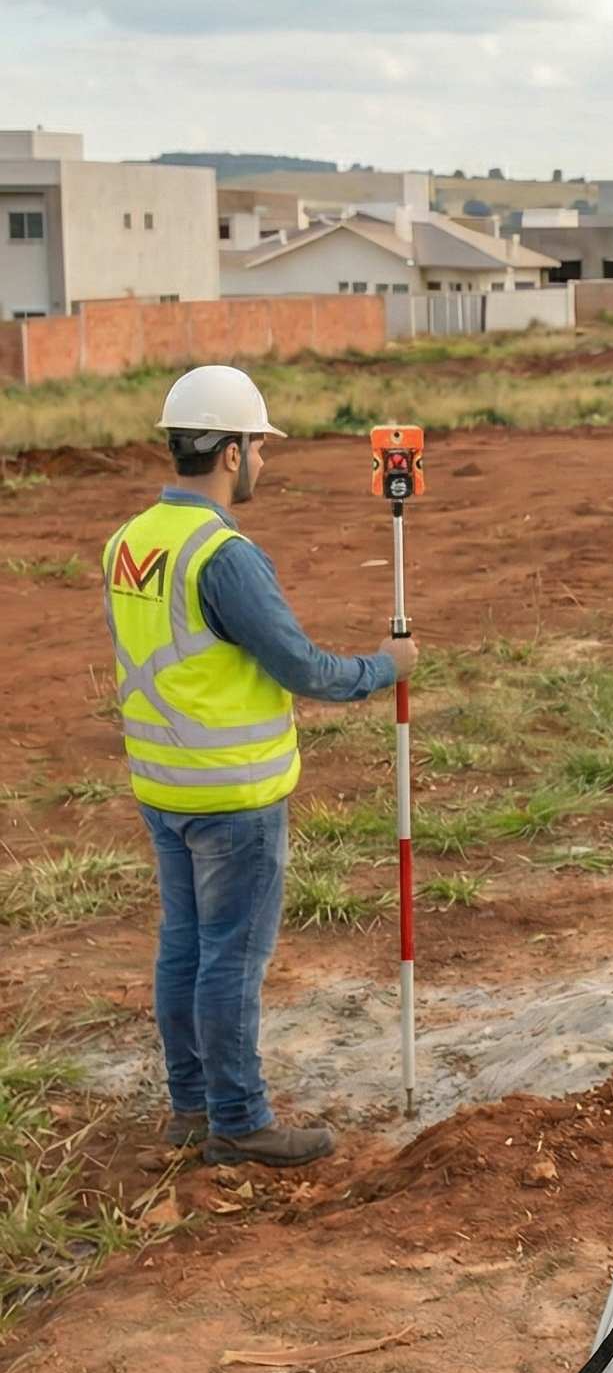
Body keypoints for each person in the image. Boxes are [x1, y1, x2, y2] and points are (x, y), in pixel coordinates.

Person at [104, 365, 416, 1168]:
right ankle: (239, 1121)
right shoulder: (223, 554)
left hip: (162, 783)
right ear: (232, 452)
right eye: (260, 447)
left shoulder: (130, 543)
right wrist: (385, 667)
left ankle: (190, 1106)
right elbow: (303, 668)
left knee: (185, 947)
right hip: (232, 796)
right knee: (230, 958)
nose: (265, 463)